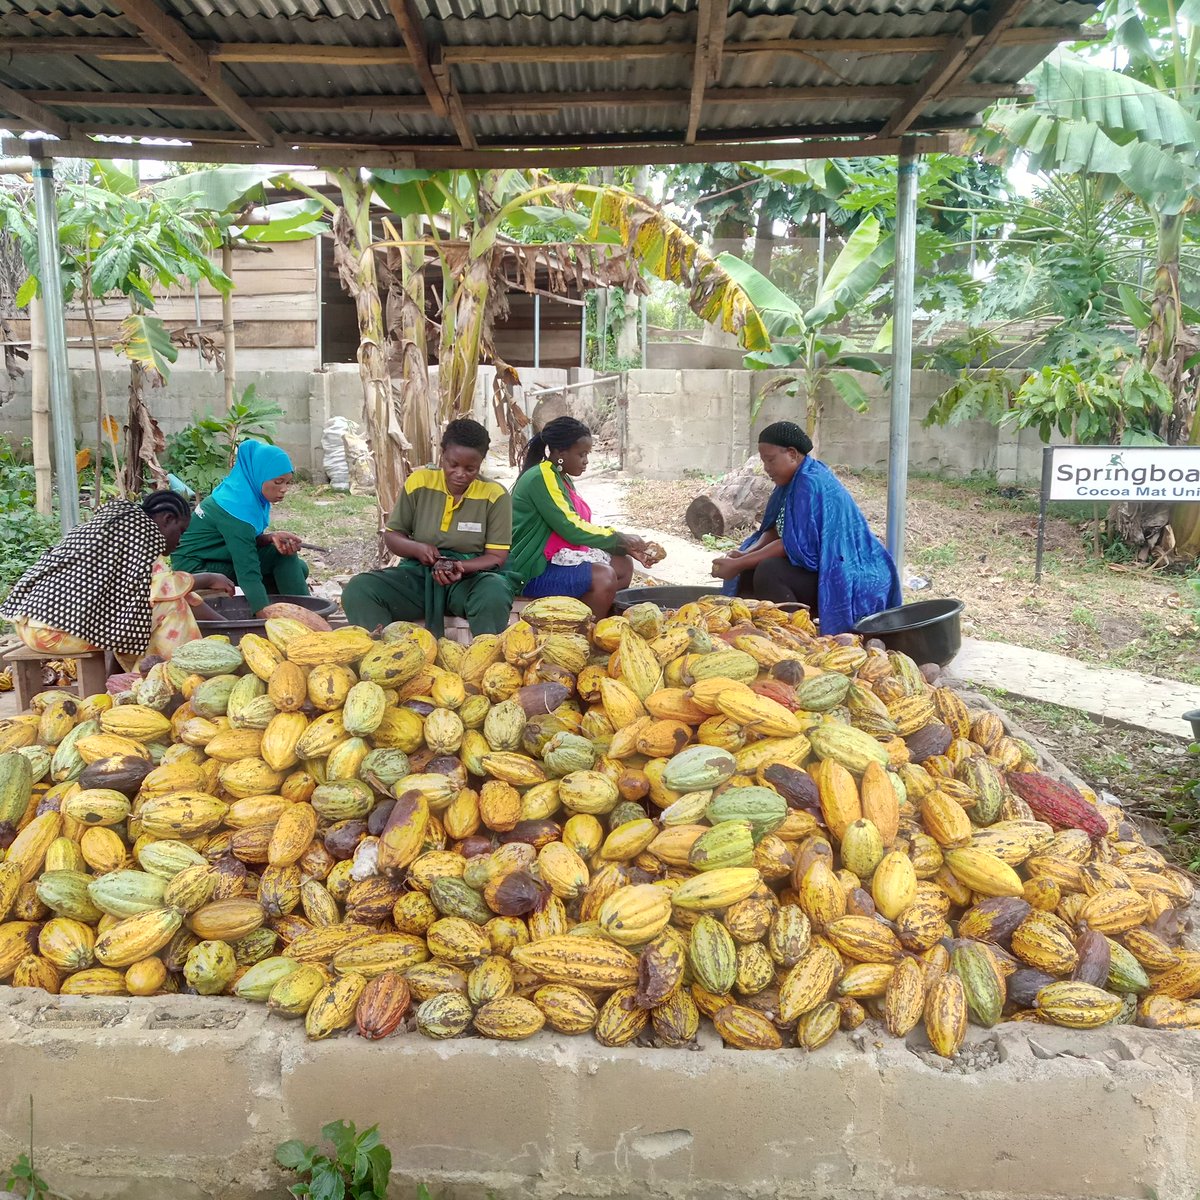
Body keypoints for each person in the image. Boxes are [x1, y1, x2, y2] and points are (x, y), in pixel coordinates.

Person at [0, 491, 236, 668]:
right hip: (55, 633)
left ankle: (129, 675)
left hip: (30, 625)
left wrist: (228, 628)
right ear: (166, 519)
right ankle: (173, 672)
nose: (180, 541)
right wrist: (208, 578)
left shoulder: (122, 524)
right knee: (169, 606)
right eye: (181, 531)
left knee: (158, 601)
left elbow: (171, 588)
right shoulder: (142, 537)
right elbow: (168, 592)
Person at [709, 420, 901, 635]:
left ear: (792, 453)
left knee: (769, 571)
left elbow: (792, 545)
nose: (767, 468)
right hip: (822, 568)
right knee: (749, 569)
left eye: (771, 460)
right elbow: (774, 530)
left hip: (853, 577)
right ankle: (753, 632)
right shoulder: (790, 483)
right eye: (764, 461)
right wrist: (744, 555)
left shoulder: (809, 483)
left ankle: (798, 636)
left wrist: (740, 563)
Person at [341, 419, 514, 638]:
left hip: (468, 581)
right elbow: (393, 536)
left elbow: (496, 556)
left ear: (481, 462)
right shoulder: (420, 482)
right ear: (442, 454)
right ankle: (385, 658)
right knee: (359, 589)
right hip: (419, 578)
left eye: (471, 468)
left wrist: (460, 566)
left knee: (494, 592)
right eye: (453, 465)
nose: (461, 474)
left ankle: (485, 658)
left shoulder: (495, 495)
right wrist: (417, 549)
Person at [506, 416, 649, 619]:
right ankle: (581, 638)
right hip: (531, 571)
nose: (586, 461)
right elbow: (571, 527)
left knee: (623, 564)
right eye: (581, 454)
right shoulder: (541, 477)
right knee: (604, 578)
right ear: (559, 453)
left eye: (587, 454)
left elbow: (579, 528)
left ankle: (601, 626)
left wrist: (623, 547)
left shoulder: (560, 476)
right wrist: (619, 537)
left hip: (555, 560)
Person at [173, 439, 309, 617]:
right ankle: (301, 616)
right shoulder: (237, 508)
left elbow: (234, 541)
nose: (284, 489)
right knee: (281, 562)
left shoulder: (238, 491)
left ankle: (296, 612)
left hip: (215, 555)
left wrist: (269, 538)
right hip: (196, 567)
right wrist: (266, 620)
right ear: (258, 475)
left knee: (297, 567)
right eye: (278, 482)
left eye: (287, 483)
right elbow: (247, 570)